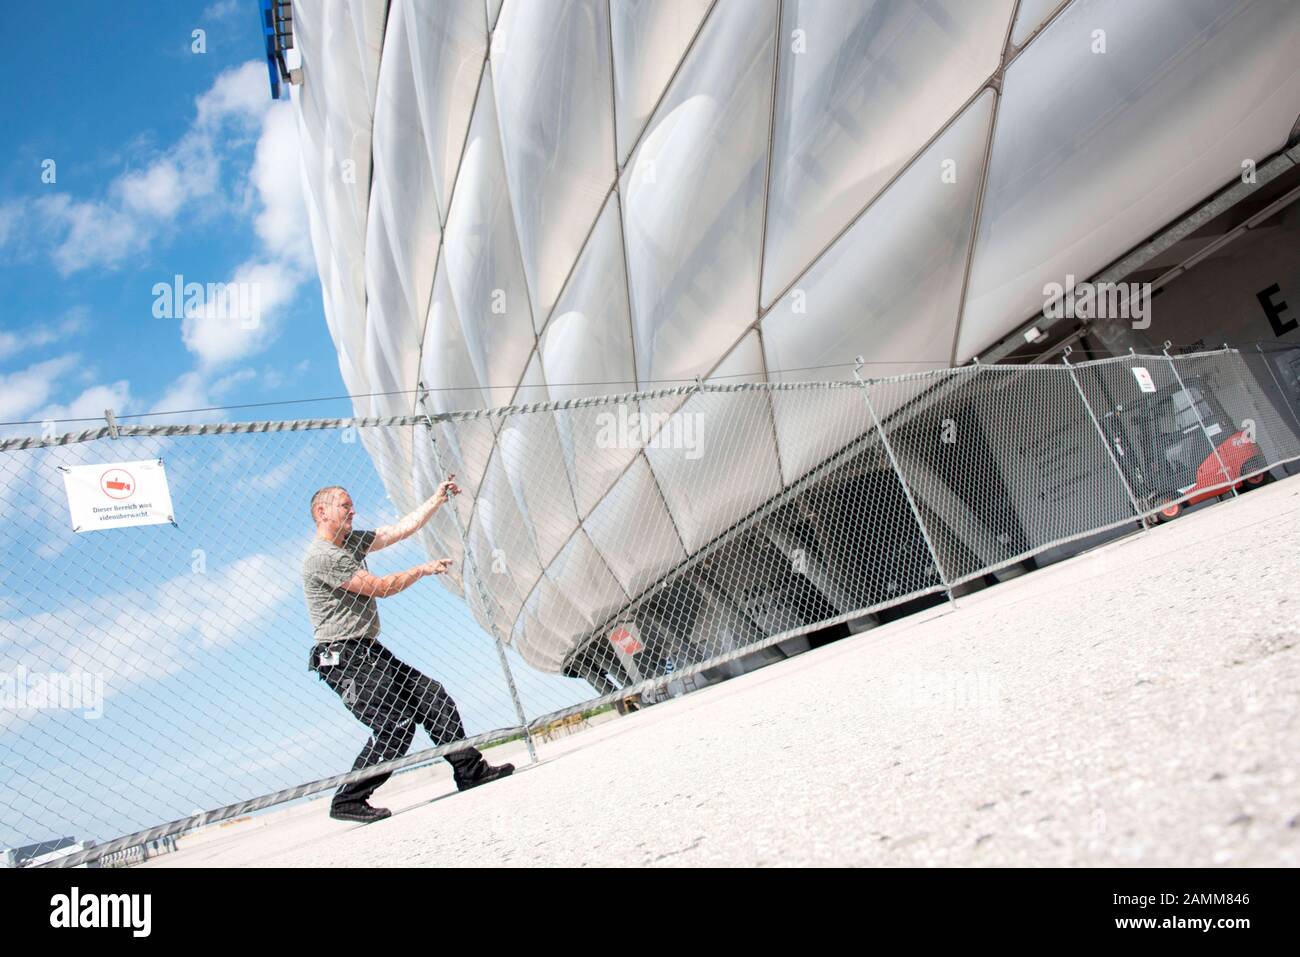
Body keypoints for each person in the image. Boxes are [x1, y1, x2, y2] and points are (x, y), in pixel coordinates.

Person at [302, 481, 513, 824]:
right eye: (345, 505)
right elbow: (380, 588)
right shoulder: (323, 557)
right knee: (394, 725)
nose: (352, 510)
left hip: (367, 649)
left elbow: (400, 530)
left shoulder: (350, 542)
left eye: (351, 504)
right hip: (343, 658)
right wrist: (422, 569)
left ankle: (469, 770)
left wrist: (438, 498)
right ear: (321, 512)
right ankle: (348, 799)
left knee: (432, 697)